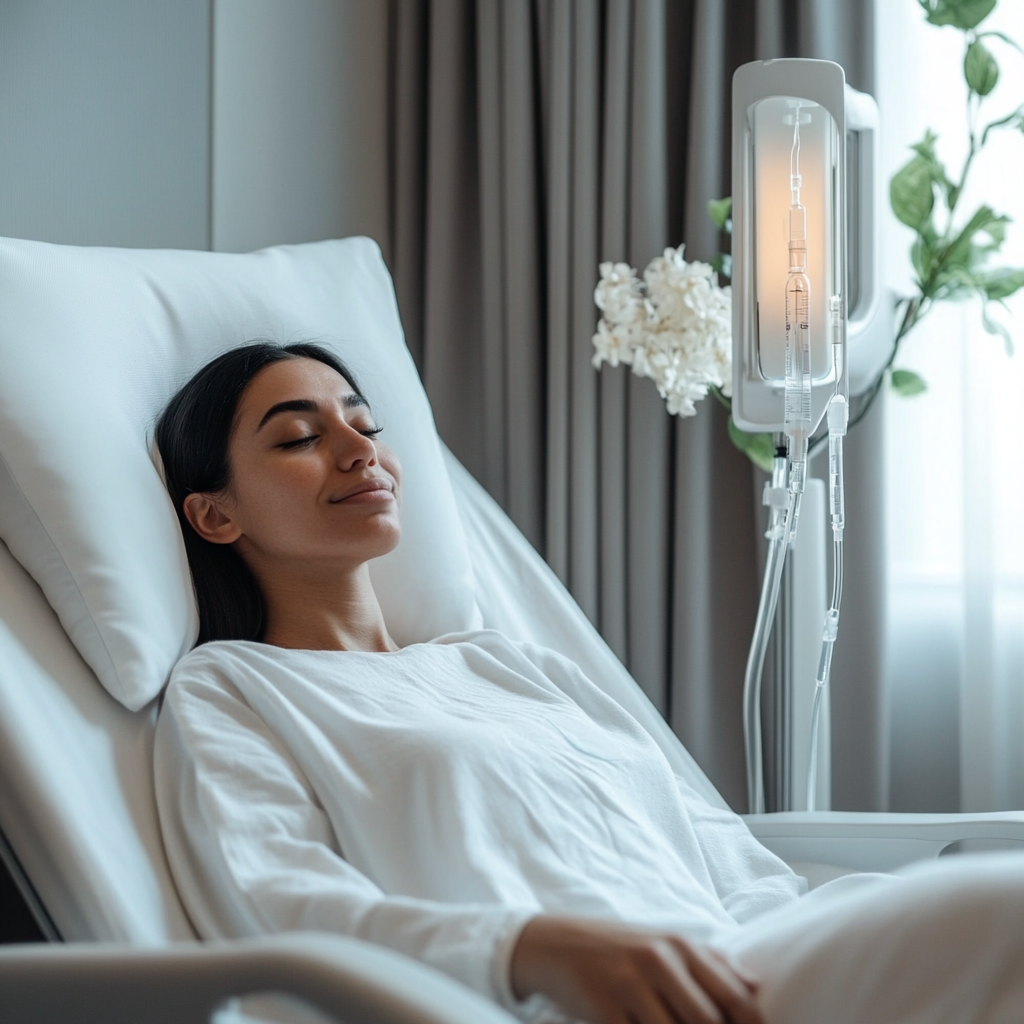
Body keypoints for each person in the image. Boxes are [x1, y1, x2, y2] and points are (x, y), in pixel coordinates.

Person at [154, 342, 1024, 1024]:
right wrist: (533, 949)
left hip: (743, 968)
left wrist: (822, 926)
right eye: (301, 437)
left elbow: (720, 851)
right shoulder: (234, 688)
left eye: (366, 425)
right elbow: (280, 902)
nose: (357, 451)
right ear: (214, 513)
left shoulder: (506, 662)